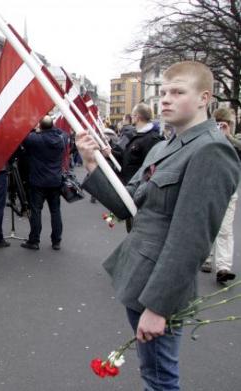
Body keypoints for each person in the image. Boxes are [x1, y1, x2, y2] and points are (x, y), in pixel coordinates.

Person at [77, 61, 240, 390]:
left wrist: (159, 306)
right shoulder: (166, 146)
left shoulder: (212, 151)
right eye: (163, 92)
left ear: (203, 98)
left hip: (158, 290)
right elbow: (129, 205)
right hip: (139, 276)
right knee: (152, 372)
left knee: (160, 379)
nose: (165, 99)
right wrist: (91, 163)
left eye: (177, 92)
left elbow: (191, 240)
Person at [109, 103, 164, 232]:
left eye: (133, 115)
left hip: (139, 192)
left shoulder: (152, 139)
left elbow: (152, 168)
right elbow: (126, 158)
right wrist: (110, 153)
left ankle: (112, 219)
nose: (131, 118)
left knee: (135, 229)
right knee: (130, 226)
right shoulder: (137, 136)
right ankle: (112, 219)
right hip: (129, 187)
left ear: (137, 117)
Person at [201, 107, 239, 283]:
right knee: (208, 225)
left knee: (225, 230)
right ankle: (207, 257)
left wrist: (229, 137)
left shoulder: (235, 141)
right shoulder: (207, 137)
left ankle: (223, 266)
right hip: (208, 188)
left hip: (229, 191)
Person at [21, 115, 67, 251]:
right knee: (55, 211)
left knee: (36, 212)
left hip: (38, 182)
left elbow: (24, 136)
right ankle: (56, 241)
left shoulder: (34, 139)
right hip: (55, 181)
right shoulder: (61, 139)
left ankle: (34, 241)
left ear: (40, 125)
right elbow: (63, 132)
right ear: (52, 125)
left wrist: (36, 128)